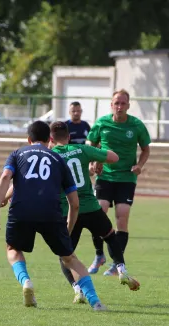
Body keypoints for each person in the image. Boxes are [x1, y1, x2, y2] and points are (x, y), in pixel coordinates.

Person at [0, 120, 107, 311]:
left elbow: (5, 178)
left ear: (29, 139)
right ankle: (95, 301)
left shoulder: (17, 154)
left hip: (21, 209)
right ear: (49, 139)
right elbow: (74, 204)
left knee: (13, 249)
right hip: (51, 212)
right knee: (69, 258)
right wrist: (67, 229)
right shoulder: (58, 159)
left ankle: (26, 281)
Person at [49, 121, 140, 303]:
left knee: (65, 254)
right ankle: (121, 269)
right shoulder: (82, 149)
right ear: (69, 137)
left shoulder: (50, 156)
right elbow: (113, 157)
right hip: (91, 207)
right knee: (110, 236)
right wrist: (97, 160)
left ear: (51, 138)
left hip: (69, 212)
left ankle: (78, 290)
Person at [86, 89, 151, 279]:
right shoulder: (102, 123)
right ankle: (99, 256)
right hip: (105, 177)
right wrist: (91, 162)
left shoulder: (136, 125)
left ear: (128, 106)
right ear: (111, 105)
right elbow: (90, 144)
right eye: (116, 103)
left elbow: (146, 149)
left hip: (126, 178)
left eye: (123, 103)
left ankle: (117, 263)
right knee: (99, 213)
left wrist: (139, 165)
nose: (120, 106)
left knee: (122, 217)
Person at [65, 102, 108, 274]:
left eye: (78, 110)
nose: (76, 113)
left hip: (83, 171)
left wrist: (92, 163)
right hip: (69, 171)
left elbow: (93, 147)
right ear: (70, 112)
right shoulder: (66, 127)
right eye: (73, 110)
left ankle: (99, 254)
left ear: (81, 112)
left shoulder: (86, 127)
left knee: (96, 210)